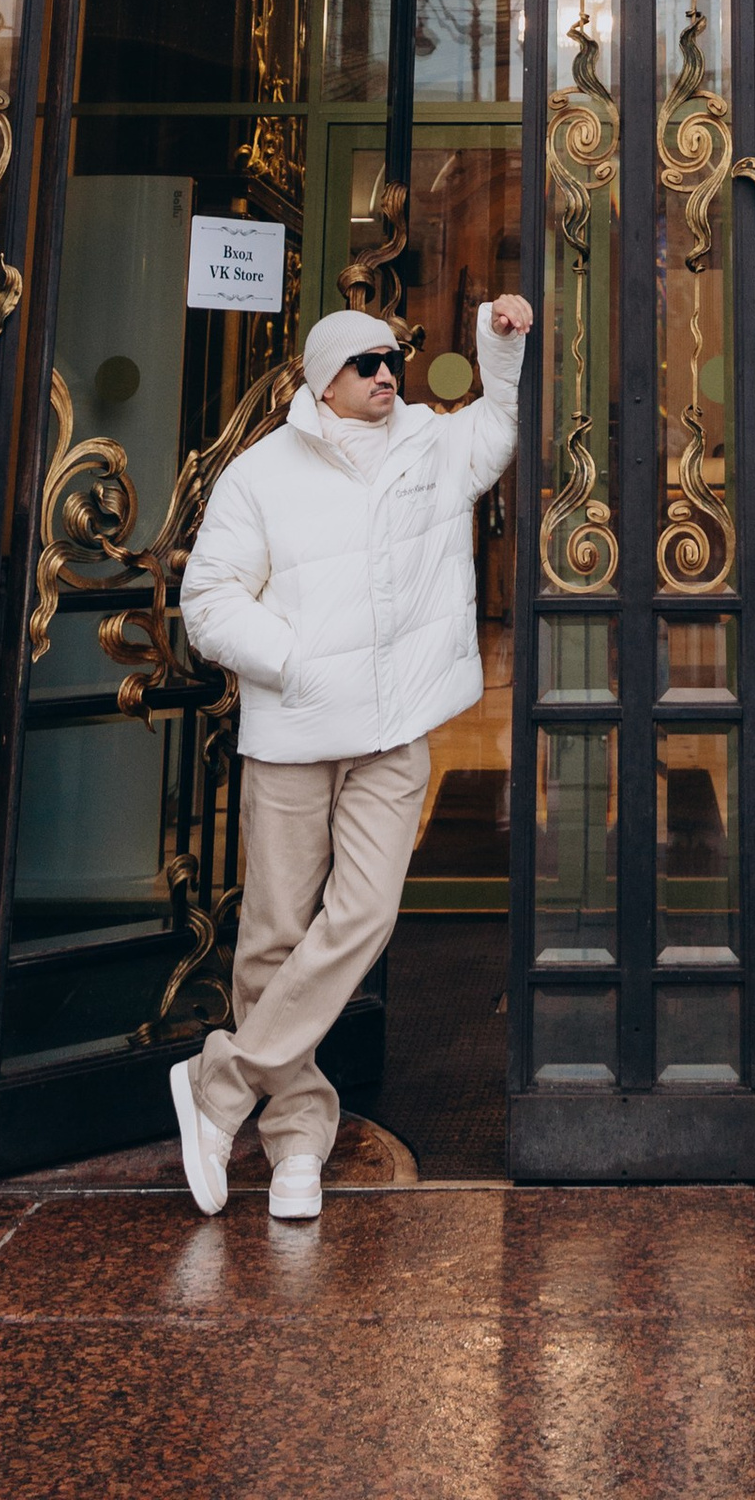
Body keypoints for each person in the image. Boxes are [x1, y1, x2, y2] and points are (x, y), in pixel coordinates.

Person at [171, 290, 532, 1221]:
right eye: (364, 365)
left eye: (391, 362)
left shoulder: (430, 445)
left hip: (391, 736)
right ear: (321, 380)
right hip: (293, 736)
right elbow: (209, 600)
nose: (385, 377)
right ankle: (298, 1137)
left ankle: (221, 1083)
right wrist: (294, 666)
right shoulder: (260, 475)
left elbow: (498, 425)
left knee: (363, 914)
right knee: (276, 936)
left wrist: (497, 341)